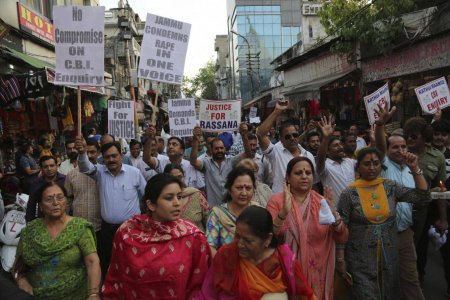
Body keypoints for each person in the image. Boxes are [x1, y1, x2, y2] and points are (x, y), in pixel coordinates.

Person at [337, 147, 429, 300]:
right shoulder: (349, 193)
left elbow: (422, 198)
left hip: (389, 257)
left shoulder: (390, 187)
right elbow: (341, 230)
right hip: (360, 260)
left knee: (389, 293)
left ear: (381, 165)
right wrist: (340, 260)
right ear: (358, 166)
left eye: (376, 163)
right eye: (367, 164)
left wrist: (414, 168)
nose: (372, 168)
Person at [102, 173, 211, 299]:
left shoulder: (192, 236)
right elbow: (116, 277)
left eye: (179, 197)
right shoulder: (127, 233)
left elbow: (200, 283)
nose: (177, 203)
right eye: (169, 198)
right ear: (151, 205)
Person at [266, 156, 348, 300]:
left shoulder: (321, 202)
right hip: (287, 272)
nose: (304, 176)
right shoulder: (277, 201)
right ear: (288, 178)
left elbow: (342, 237)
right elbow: (269, 238)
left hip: (319, 272)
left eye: (308, 173)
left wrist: (334, 213)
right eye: (298, 173)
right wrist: (283, 213)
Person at [200, 206, 316, 300]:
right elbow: (209, 292)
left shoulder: (284, 261)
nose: (240, 244)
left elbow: (303, 294)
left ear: (268, 239)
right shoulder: (226, 255)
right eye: (237, 236)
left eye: (248, 240)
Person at [12, 182, 101, 299]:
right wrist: (22, 283)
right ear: (41, 206)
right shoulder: (30, 231)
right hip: (36, 295)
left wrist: (93, 294)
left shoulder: (80, 227)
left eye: (60, 198)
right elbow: (18, 267)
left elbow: (92, 262)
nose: (55, 203)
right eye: (49, 199)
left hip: (76, 295)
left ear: (66, 202)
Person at [374, 103, 425, 300]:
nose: (400, 150)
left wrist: (414, 168)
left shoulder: (410, 168)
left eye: (403, 146)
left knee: (410, 278)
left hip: (404, 233)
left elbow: (422, 195)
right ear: (387, 150)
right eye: (395, 147)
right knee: (386, 280)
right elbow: (379, 145)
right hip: (383, 232)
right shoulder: (383, 164)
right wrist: (380, 125)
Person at [76, 137, 147, 277]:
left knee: (132, 263)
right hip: (107, 231)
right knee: (108, 264)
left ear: (121, 155)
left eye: (114, 155)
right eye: (107, 157)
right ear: (103, 159)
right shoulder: (99, 172)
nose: (111, 159)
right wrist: (82, 152)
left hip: (131, 229)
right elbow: (85, 167)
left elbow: (147, 195)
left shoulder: (134, 173)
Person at [256, 99, 316, 194]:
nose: (292, 138)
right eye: (288, 136)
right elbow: (260, 134)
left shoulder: (308, 156)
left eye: (295, 135)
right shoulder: (275, 152)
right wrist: (277, 111)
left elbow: (313, 183)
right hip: (280, 204)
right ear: (281, 139)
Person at [190, 124, 252, 206]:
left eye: (221, 148)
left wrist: (244, 136)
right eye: (216, 148)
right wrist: (195, 140)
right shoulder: (206, 163)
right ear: (211, 150)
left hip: (230, 208)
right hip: (213, 209)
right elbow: (193, 161)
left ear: (225, 149)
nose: (219, 150)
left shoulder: (231, 161)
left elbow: (248, 154)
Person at [206, 167, 260, 255]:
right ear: (230, 190)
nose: (244, 193)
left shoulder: (258, 211)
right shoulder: (217, 213)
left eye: (248, 188)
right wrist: (224, 265)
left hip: (253, 266)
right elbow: (210, 246)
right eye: (239, 188)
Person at [65, 138, 102, 240]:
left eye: (92, 152)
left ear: (98, 153)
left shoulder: (104, 172)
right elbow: (68, 199)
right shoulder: (71, 174)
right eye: (86, 152)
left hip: (101, 227)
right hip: (78, 227)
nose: (89, 156)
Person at [316, 116, 356, 205]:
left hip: (355, 210)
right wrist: (326, 138)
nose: (341, 147)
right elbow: (320, 159)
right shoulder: (325, 166)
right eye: (336, 145)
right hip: (335, 213)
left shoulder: (350, 162)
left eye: (341, 144)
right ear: (327, 150)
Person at [163, 163, 210, 232]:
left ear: (184, 177)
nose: (177, 180)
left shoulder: (196, 195)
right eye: (173, 178)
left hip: (199, 240)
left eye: (180, 177)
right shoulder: (162, 200)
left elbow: (209, 222)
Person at [25, 156, 66, 222]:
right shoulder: (36, 184)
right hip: (44, 220)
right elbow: (31, 205)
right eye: (46, 167)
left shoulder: (65, 180)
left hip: (64, 220)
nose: (49, 169)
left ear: (57, 166)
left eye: (52, 165)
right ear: (41, 168)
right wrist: (29, 223)